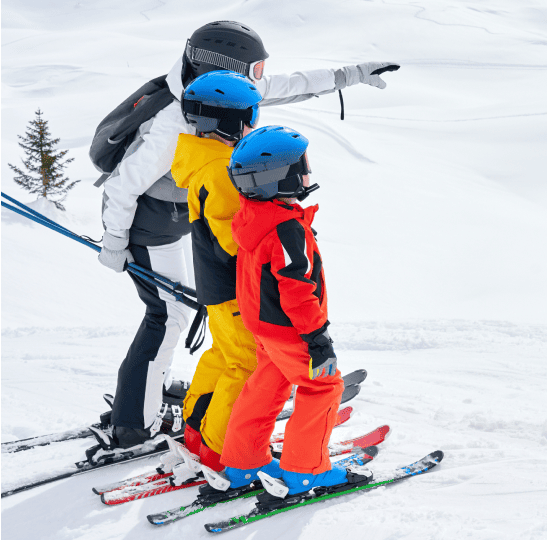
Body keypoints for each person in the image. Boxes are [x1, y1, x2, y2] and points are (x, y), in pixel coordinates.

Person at [96, 19, 400, 448]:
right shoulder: (174, 120)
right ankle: (133, 423)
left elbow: (287, 85)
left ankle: (179, 407)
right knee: (167, 315)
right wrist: (114, 244)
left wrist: (350, 75)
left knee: (190, 314)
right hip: (150, 222)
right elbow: (122, 185)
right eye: (254, 70)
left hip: (191, 216)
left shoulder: (213, 99)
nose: (260, 81)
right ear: (230, 68)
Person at [214, 126, 372, 501]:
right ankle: (305, 472)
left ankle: (242, 463)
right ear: (274, 179)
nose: (305, 174)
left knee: (267, 386)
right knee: (323, 387)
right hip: (291, 331)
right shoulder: (286, 229)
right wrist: (317, 339)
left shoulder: (256, 216)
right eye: (298, 168)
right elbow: (297, 290)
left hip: (266, 328)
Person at [170, 70, 262, 472]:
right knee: (246, 364)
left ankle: (196, 430)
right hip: (234, 284)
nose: (252, 123)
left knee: (223, 356)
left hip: (216, 286)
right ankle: (221, 450)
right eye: (249, 115)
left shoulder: (203, 161)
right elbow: (232, 238)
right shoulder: (223, 169)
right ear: (229, 120)